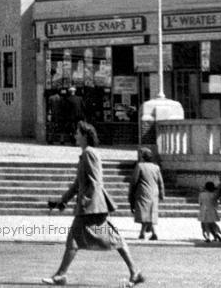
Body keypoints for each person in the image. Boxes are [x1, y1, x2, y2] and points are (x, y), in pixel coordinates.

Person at [42, 121, 144, 286]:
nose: (75, 136)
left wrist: (87, 202)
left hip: (91, 207)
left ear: (85, 136)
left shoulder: (89, 153)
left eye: (77, 133)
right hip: (91, 206)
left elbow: (96, 181)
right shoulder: (86, 154)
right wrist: (63, 201)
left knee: (85, 239)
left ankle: (61, 275)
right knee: (108, 238)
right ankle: (135, 272)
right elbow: (78, 184)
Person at [129, 148, 165, 240]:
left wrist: (131, 194)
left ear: (143, 157)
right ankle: (150, 233)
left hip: (143, 191)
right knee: (150, 213)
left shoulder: (140, 166)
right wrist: (162, 193)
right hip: (154, 192)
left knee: (145, 213)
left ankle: (144, 233)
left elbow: (134, 181)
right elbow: (160, 182)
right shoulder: (156, 167)